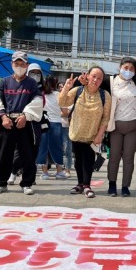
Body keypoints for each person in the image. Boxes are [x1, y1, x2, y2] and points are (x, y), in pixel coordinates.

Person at [0, 51, 43, 195]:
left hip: (25, 121)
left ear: (26, 65)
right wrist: (3, 117)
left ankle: (27, 183)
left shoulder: (32, 83)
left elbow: (37, 102)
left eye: (22, 64)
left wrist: (26, 115)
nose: (19, 66)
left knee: (28, 154)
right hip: (7, 121)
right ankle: (1, 183)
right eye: (16, 63)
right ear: (12, 64)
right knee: (4, 154)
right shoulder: (4, 81)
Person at [58, 66, 111, 198]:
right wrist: (67, 87)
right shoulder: (77, 91)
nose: (96, 80)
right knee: (78, 161)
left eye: (99, 78)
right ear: (87, 76)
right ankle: (80, 184)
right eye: (93, 76)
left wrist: (100, 134)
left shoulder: (105, 95)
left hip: (92, 135)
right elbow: (62, 101)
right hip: (76, 132)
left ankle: (87, 185)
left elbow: (106, 118)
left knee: (88, 160)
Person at [103, 57, 136, 197]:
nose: (128, 71)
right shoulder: (110, 81)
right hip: (115, 126)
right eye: (126, 68)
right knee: (113, 156)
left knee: (128, 157)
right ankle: (112, 185)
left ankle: (126, 186)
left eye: (132, 69)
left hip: (134, 124)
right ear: (119, 67)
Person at [35, 71, 68, 180]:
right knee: (57, 148)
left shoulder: (41, 94)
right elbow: (65, 111)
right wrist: (58, 113)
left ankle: (45, 173)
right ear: (55, 84)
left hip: (44, 123)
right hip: (56, 123)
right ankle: (59, 171)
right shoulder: (59, 95)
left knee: (43, 147)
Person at [58, 82, 72, 178]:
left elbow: (67, 113)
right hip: (56, 125)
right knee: (58, 149)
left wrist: (58, 113)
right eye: (60, 87)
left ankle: (67, 170)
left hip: (67, 126)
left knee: (67, 149)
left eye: (63, 87)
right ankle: (59, 170)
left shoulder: (71, 98)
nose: (61, 88)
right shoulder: (55, 97)